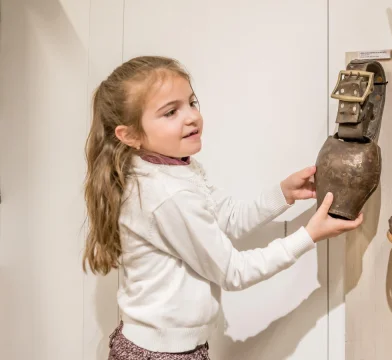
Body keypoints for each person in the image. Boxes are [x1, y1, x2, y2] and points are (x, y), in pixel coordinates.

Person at [82, 55, 363, 359]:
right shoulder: (167, 194)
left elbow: (227, 217)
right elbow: (233, 272)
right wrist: (308, 236)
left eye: (191, 102)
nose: (191, 117)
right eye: (170, 112)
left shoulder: (173, 169)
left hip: (167, 349)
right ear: (130, 135)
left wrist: (283, 194)